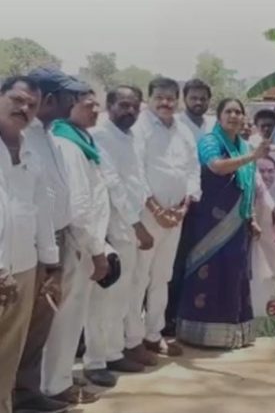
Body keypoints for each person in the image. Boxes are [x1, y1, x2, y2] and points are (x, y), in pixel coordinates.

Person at [15, 67, 87, 411]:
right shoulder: (20, 136)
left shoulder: (51, 136)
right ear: (47, 97)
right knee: (19, 327)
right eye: (68, 96)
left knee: (39, 324)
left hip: (53, 241)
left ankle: (27, 394)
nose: (73, 102)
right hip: (24, 247)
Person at [177, 98, 269, 349]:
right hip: (209, 222)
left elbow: (247, 185)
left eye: (238, 112)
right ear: (218, 117)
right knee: (209, 274)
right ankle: (199, 333)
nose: (234, 116)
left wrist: (249, 217)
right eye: (228, 111)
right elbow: (216, 167)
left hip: (237, 222)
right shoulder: (210, 141)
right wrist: (252, 156)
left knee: (233, 274)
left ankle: (232, 333)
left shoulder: (242, 145)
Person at [43, 88, 112, 401]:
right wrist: (97, 251)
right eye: (87, 105)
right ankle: (55, 386)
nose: (95, 109)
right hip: (77, 242)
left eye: (96, 104)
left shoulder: (82, 140)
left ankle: (57, 380)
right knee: (66, 318)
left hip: (83, 240)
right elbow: (81, 206)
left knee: (69, 317)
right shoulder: (67, 144)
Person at [125, 77, 200, 359]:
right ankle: (131, 339)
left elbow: (193, 169)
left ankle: (153, 334)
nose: (166, 103)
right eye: (160, 97)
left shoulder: (183, 130)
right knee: (139, 277)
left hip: (177, 214)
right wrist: (157, 209)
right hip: (147, 214)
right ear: (150, 99)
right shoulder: (140, 128)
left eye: (171, 97)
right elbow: (136, 172)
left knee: (162, 276)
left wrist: (184, 206)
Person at [0, 76, 59, 413]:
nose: (24, 109)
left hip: (22, 271)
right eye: (17, 99)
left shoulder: (31, 154)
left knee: (7, 359)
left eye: (31, 105)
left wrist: (50, 266)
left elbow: (41, 213)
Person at [92, 86, 157, 371]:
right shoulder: (101, 136)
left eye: (134, 106)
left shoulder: (129, 136)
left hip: (132, 225)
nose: (129, 111)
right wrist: (137, 225)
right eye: (123, 105)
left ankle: (117, 349)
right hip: (115, 228)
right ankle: (105, 356)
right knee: (109, 296)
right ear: (109, 105)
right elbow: (113, 185)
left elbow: (137, 179)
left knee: (127, 293)